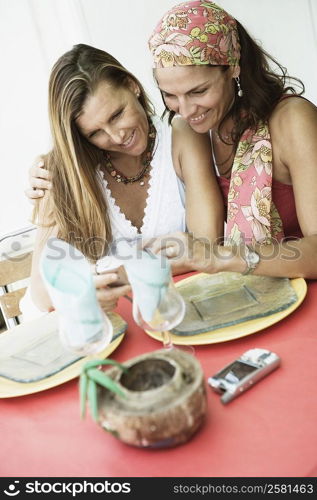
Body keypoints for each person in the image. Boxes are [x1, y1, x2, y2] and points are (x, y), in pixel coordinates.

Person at [25, 43, 223, 317]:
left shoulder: (182, 135)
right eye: (95, 133)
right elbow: (41, 293)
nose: (116, 136)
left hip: (185, 309)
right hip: (116, 324)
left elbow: (206, 246)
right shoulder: (61, 172)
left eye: (117, 115)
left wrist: (108, 275)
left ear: (132, 85)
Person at [144, 0, 317, 278]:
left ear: (233, 66)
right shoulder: (193, 131)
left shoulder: (292, 120)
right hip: (257, 296)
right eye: (170, 95)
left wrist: (223, 256)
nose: (186, 110)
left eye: (198, 91)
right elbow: (204, 251)